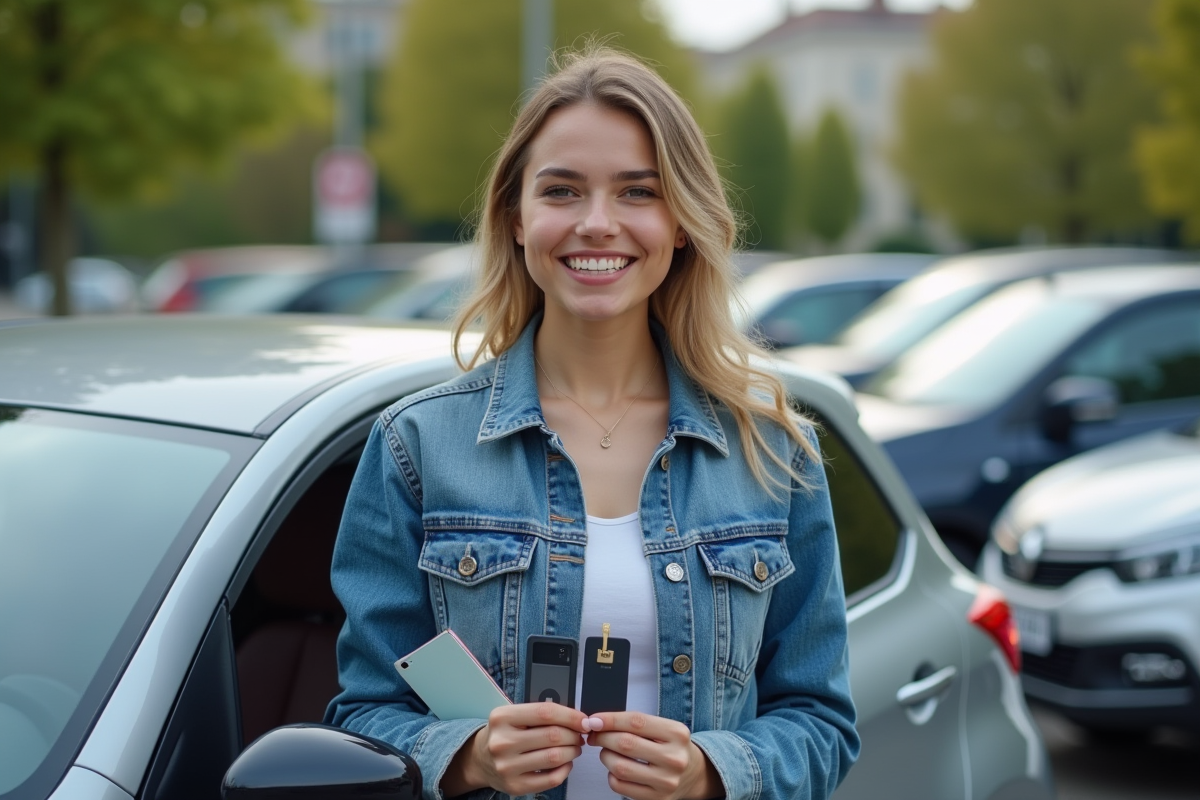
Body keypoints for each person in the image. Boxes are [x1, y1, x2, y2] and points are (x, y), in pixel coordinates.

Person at [326, 46, 859, 800]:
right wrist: (467, 757)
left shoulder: (773, 451)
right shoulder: (417, 447)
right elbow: (363, 717)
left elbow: (822, 721)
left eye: (638, 192)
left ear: (680, 222)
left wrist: (712, 773)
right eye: (563, 192)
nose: (598, 224)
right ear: (517, 218)